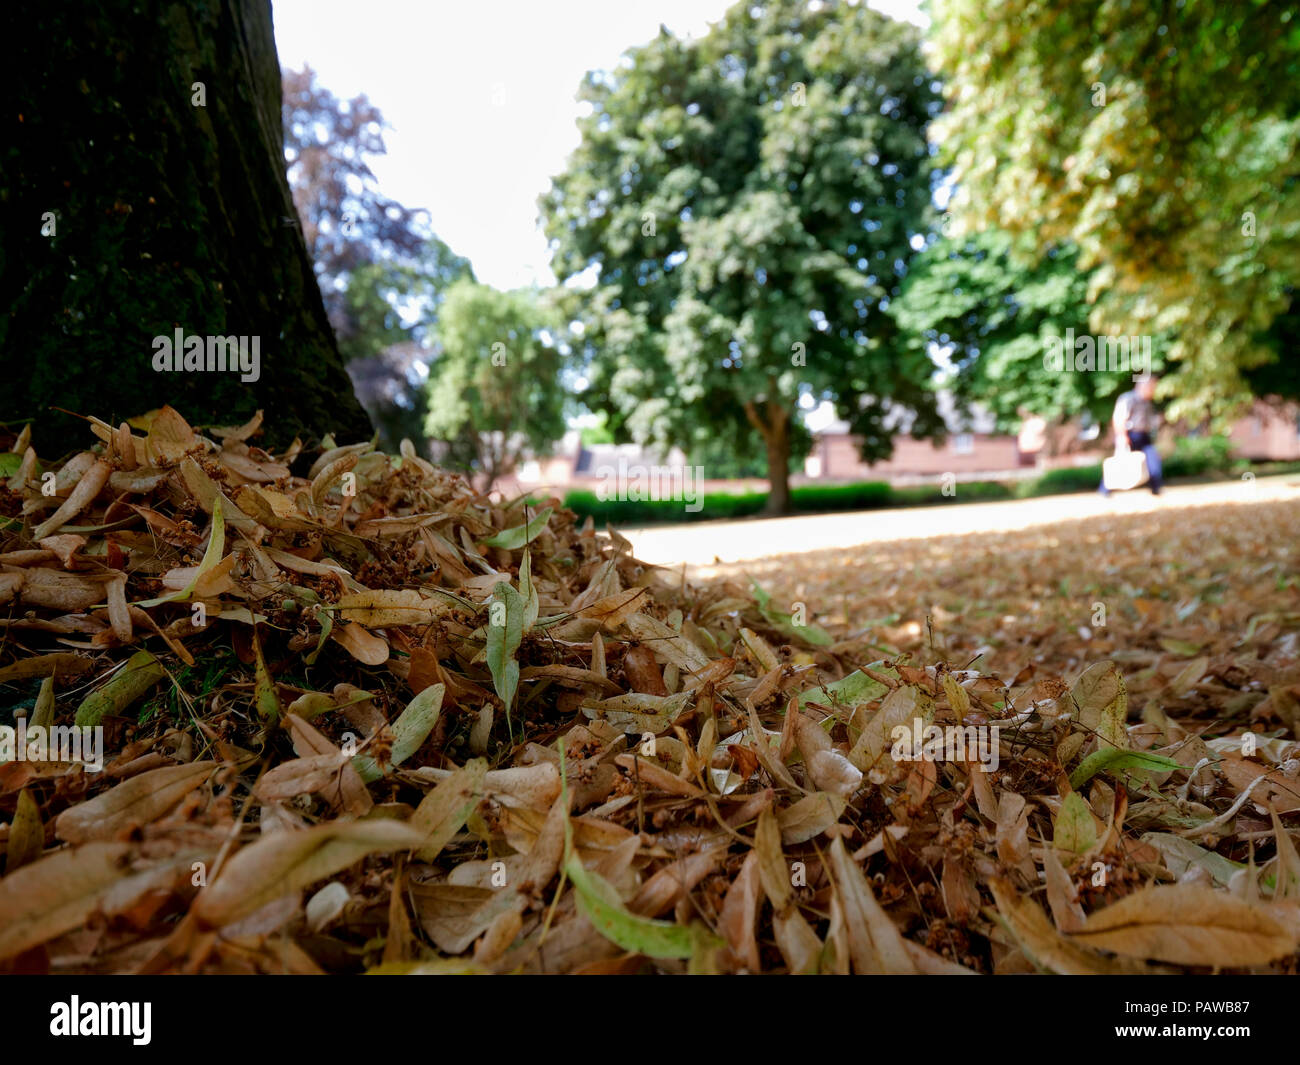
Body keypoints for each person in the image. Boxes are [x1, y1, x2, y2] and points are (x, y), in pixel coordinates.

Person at [1100, 375, 1162, 496]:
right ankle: (1104, 490)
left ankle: (1156, 489)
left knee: (1153, 460)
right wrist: (1121, 436)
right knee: (1120, 462)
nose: (1153, 390)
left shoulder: (1147, 403)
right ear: (1144, 386)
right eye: (1152, 387)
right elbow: (1119, 417)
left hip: (1144, 436)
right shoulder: (1128, 398)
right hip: (1130, 435)